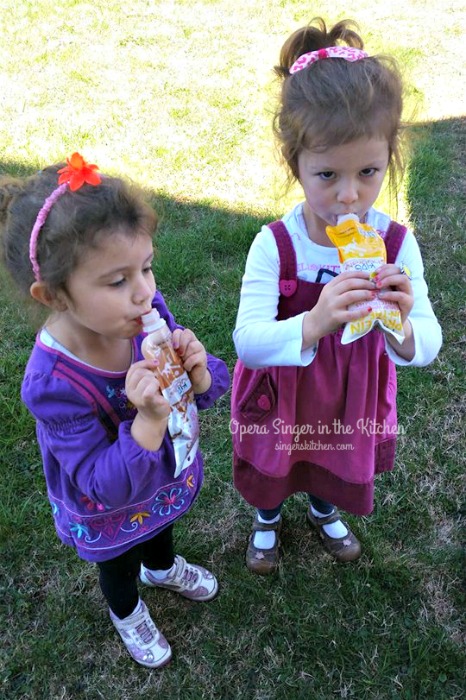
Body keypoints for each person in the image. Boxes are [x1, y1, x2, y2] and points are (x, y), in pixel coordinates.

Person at [0, 153, 230, 667]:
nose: (145, 291)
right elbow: (102, 485)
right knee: (120, 559)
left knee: (162, 525)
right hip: (110, 510)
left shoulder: (144, 313)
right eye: (117, 281)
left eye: (146, 268)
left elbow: (206, 385)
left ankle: (164, 567)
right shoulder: (52, 383)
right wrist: (147, 420)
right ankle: (127, 611)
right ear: (54, 295)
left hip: (163, 475)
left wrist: (199, 372)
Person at [231, 18, 442, 575]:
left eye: (369, 172)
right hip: (286, 390)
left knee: (332, 456)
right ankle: (268, 518)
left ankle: (324, 510)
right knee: (277, 461)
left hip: (351, 392)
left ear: (389, 157)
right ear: (293, 164)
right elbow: (248, 341)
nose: (350, 195)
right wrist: (315, 320)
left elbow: (430, 342)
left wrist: (399, 321)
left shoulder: (397, 245)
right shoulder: (275, 244)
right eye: (327, 175)